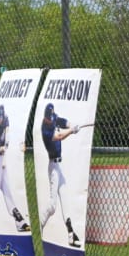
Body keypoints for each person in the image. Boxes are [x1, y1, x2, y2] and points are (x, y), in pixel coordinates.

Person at [39, 102, 81, 247]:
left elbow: (62, 121)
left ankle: (71, 233)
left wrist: (71, 124)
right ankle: (39, 226)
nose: (51, 120)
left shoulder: (53, 118)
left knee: (65, 198)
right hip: (53, 167)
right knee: (52, 205)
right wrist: (71, 131)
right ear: (45, 118)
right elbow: (60, 136)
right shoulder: (45, 130)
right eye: (49, 118)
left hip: (59, 166)